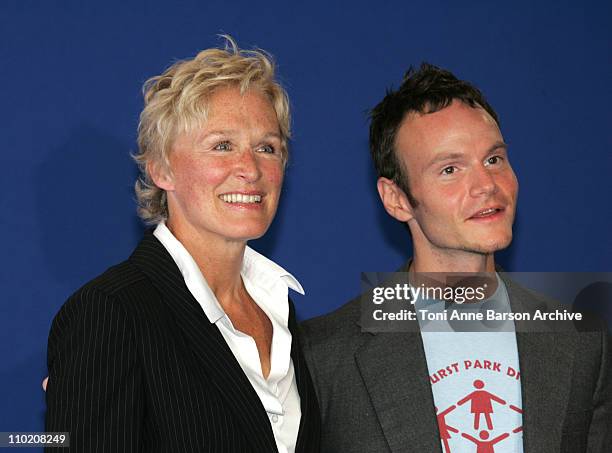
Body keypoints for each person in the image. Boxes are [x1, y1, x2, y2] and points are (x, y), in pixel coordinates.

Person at [300, 63, 611, 452]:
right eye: (450, 169)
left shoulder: (583, 341)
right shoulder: (322, 356)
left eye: (494, 159)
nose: (486, 185)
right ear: (396, 199)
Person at [45, 37, 320, 453]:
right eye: (222, 146)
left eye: (267, 147)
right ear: (161, 169)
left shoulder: (280, 310)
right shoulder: (110, 312)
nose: (250, 169)